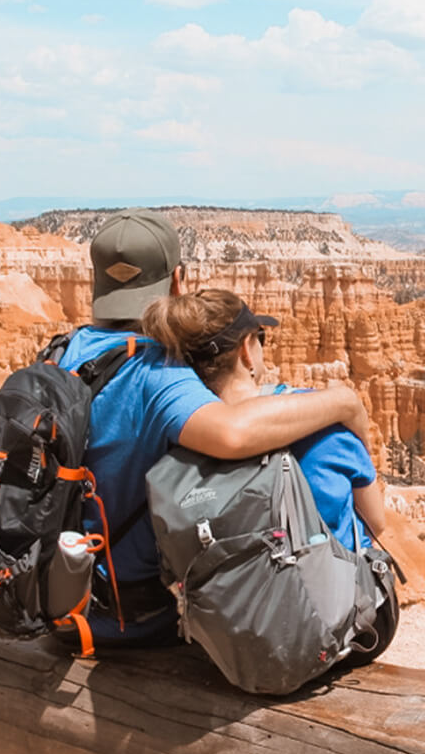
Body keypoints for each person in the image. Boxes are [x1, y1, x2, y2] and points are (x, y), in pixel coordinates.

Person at [58, 209, 372, 645]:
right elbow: (232, 434)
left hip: (64, 596)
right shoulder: (154, 370)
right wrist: (344, 403)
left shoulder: (65, 351)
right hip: (132, 617)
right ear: (176, 283)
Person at [140, 288, 386, 551]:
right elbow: (375, 522)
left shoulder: (175, 436)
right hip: (329, 585)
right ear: (245, 350)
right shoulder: (329, 425)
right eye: (261, 338)